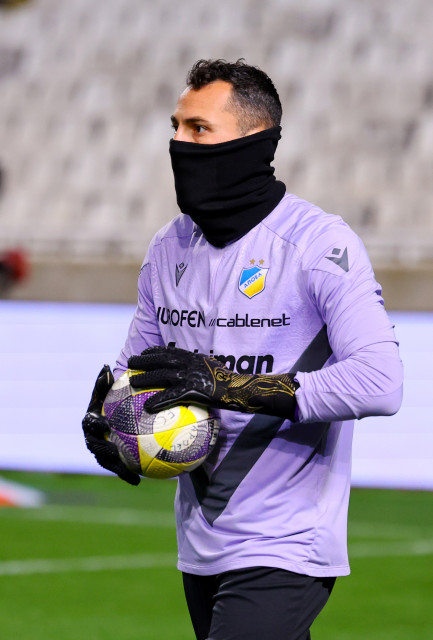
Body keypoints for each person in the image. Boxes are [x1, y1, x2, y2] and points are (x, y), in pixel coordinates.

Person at [82, 59, 403, 640]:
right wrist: (115, 424)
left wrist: (228, 385)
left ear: (255, 140)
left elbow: (380, 381)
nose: (179, 143)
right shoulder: (168, 247)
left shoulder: (318, 244)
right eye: (177, 127)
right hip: (200, 541)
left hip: (288, 540)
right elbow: (139, 372)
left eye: (199, 128)